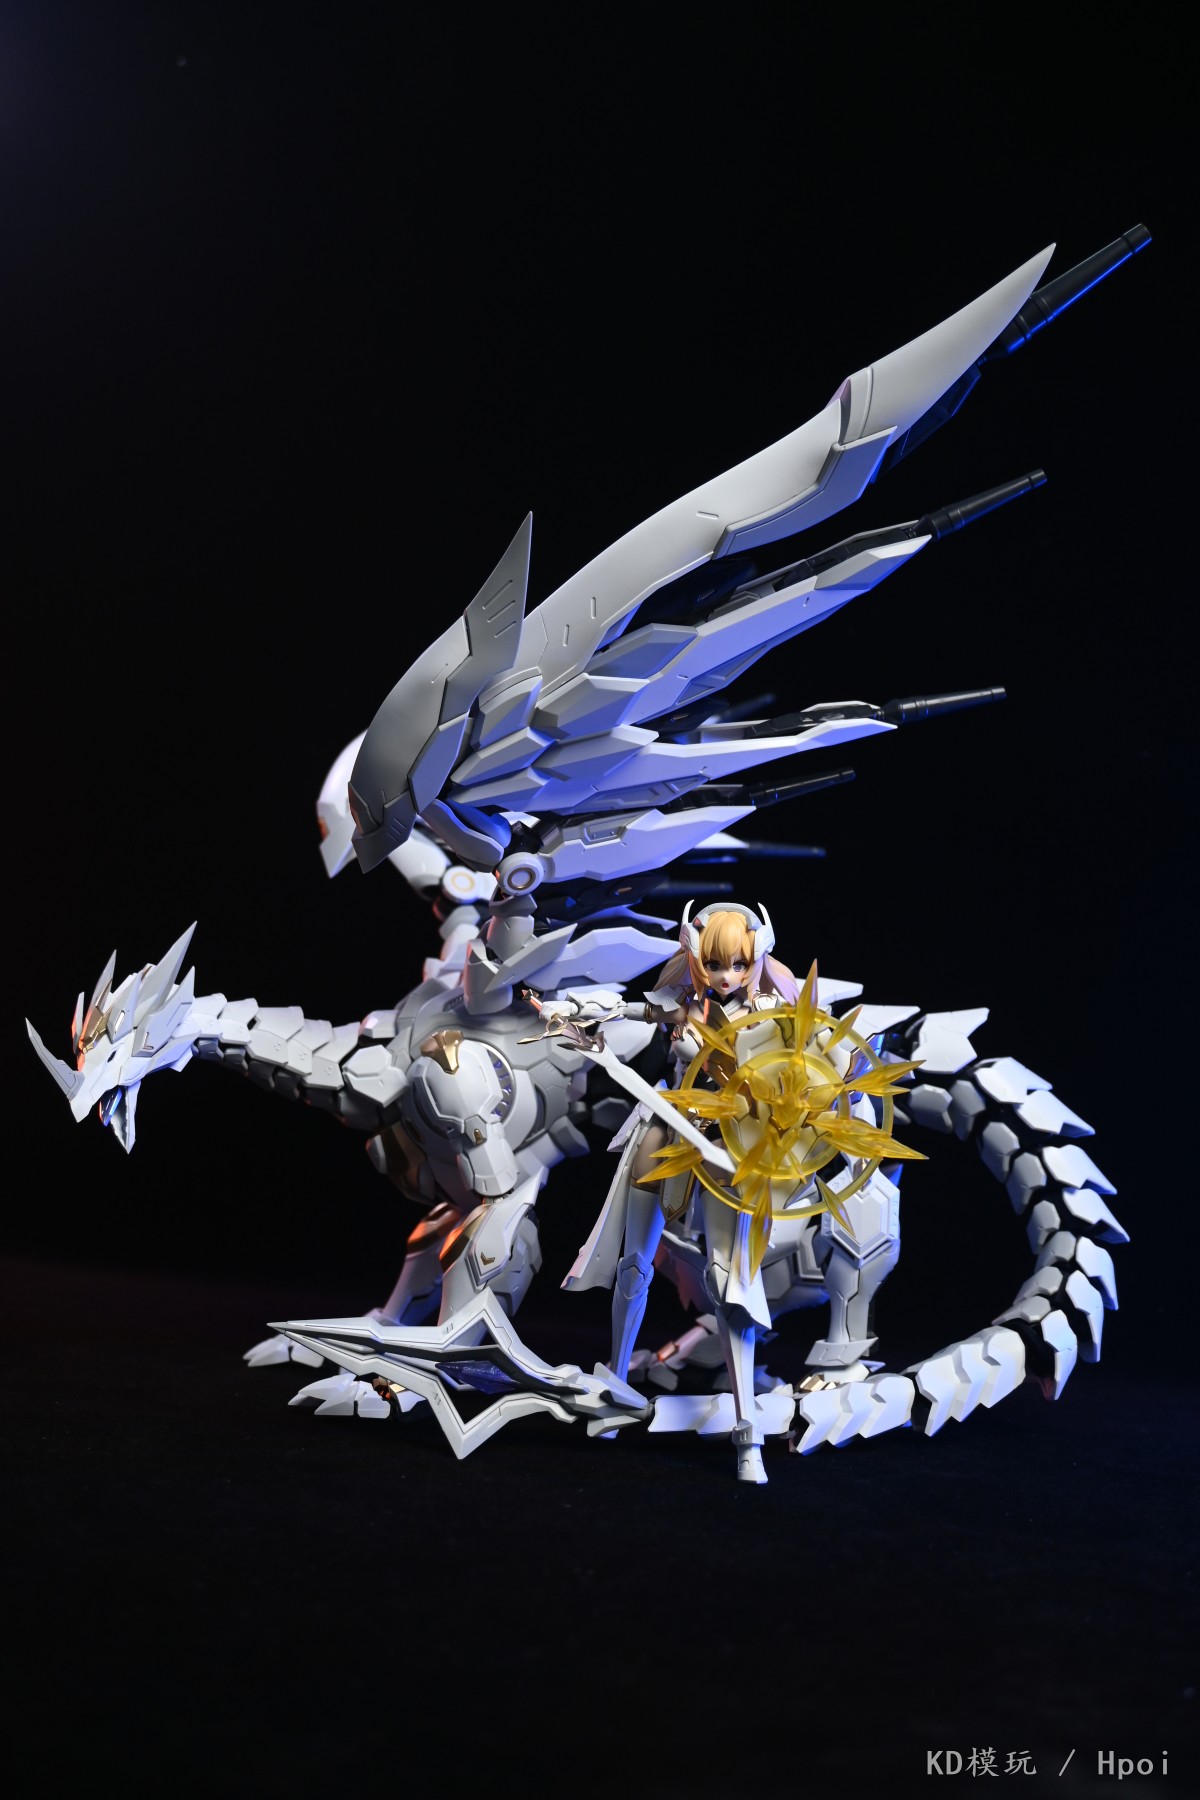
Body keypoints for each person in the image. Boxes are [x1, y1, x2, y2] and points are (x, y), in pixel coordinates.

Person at [563, 901, 799, 1483]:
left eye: (737, 964)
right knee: (634, 1262)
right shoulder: (685, 1004)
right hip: (668, 1126)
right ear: (696, 959)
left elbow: (813, 1062)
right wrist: (581, 1009)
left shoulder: (774, 1011)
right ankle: (615, 1388)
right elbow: (630, 1007)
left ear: (755, 958)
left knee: (730, 1281)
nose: (727, 976)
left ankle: (747, 1432)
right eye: (715, 965)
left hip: (728, 1144)